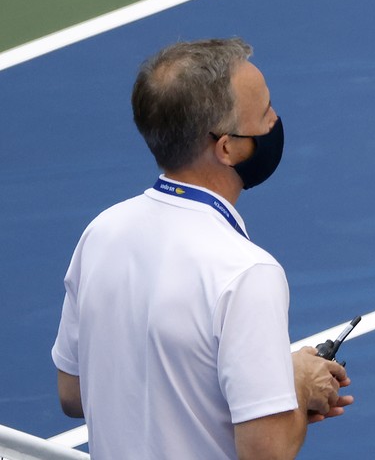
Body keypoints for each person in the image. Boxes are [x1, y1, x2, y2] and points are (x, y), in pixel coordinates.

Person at [51, 38, 353, 459]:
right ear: (227, 147)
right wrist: (296, 388)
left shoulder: (102, 233)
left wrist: (267, 379)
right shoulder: (246, 272)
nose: (275, 120)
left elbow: (73, 392)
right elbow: (265, 454)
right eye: (265, 113)